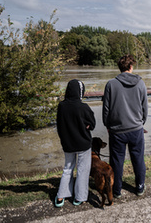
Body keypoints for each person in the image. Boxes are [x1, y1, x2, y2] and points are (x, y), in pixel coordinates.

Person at [102, 55, 148, 198]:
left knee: (116, 161)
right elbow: (145, 107)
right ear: (131, 67)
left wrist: (108, 125)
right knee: (138, 159)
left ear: (120, 67)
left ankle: (116, 191)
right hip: (136, 129)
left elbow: (106, 110)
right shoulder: (141, 84)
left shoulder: (111, 84)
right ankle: (140, 187)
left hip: (117, 131)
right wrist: (141, 123)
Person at [55, 79, 96, 208]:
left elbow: (59, 125)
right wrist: (87, 126)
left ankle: (61, 196)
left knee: (67, 168)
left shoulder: (61, 106)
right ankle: (79, 197)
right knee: (83, 170)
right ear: (80, 92)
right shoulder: (84, 107)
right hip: (83, 144)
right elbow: (92, 124)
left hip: (68, 143)